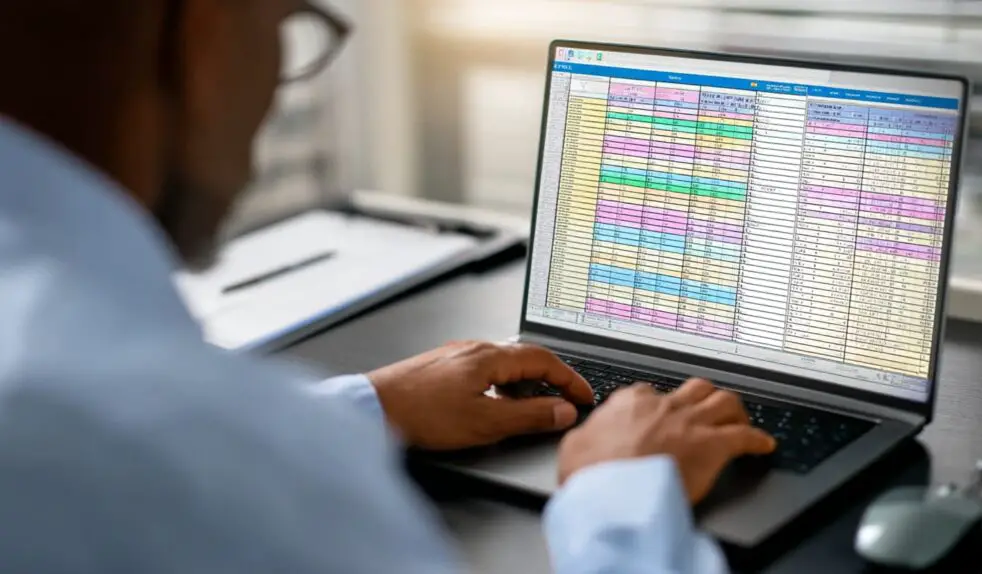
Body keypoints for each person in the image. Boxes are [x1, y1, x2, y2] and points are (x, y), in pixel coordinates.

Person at [0, 1, 776, 572]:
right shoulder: (209, 462)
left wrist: (367, 404)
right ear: (204, 38)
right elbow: (172, 450)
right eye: (282, 26)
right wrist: (619, 499)